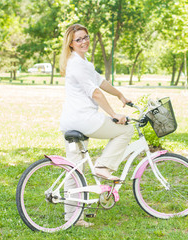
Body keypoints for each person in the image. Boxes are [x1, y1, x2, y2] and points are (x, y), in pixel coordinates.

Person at [59, 24, 134, 227]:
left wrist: (119, 95)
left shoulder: (83, 62)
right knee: (126, 129)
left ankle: (73, 218)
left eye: (86, 37)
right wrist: (114, 114)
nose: (84, 42)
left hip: (72, 120)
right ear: (71, 44)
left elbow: (101, 82)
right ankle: (103, 167)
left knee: (75, 168)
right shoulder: (77, 64)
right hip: (84, 119)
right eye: (78, 39)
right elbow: (96, 93)